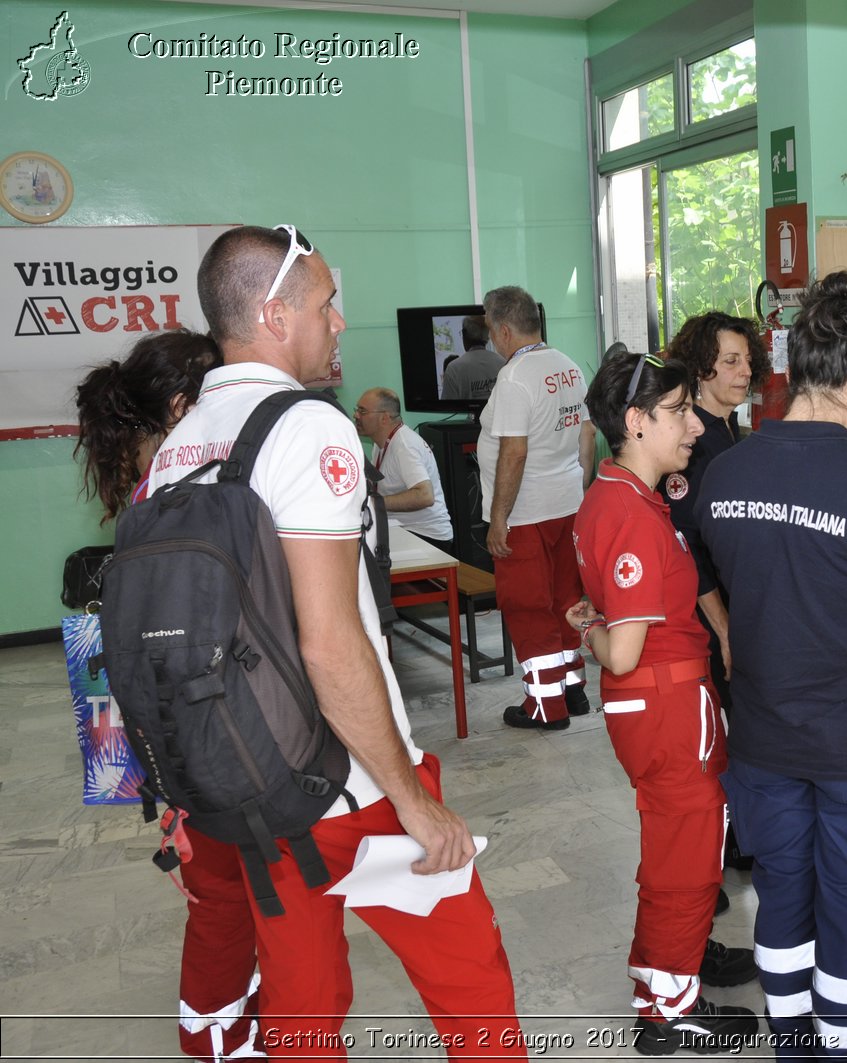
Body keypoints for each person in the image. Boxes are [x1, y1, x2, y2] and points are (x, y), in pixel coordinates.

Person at [148, 225, 524, 1060]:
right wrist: (413, 797)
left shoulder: (180, 442)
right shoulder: (307, 428)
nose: (340, 322)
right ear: (275, 315)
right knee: (475, 993)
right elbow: (329, 643)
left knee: (302, 1010)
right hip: (346, 782)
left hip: (245, 782)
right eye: (326, 304)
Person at [696, 272, 847, 1060]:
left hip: (765, 738)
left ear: (792, 376)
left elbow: (734, 578)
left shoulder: (723, 475)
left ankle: (792, 1043)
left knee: (784, 894)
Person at [75, 330, 263, 1063]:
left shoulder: (154, 488)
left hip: (171, 729)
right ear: (188, 404)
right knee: (224, 894)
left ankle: (225, 1025)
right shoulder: (193, 490)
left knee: (224, 890)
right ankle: (215, 1037)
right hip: (200, 728)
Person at [567, 350, 759, 1055]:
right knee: (689, 855)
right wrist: (591, 627)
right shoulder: (636, 516)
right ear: (636, 421)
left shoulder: (613, 495)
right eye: (678, 411)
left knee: (673, 846)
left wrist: (590, 618)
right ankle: (670, 1008)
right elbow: (619, 647)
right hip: (667, 704)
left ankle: (668, 969)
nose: (695, 426)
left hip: (653, 705)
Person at [477, 285, 597, 730]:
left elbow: (514, 452)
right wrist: (576, 488)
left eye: (491, 331)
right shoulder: (567, 366)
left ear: (504, 329)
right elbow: (586, 437)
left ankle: (546, 707)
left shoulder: (515, 377)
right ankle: (573, 689)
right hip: (567, 505)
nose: (492, 340)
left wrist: (498, 518)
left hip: (525, 515)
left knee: (529, 606)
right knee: (566, 599)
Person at [660, 312, 770, 712]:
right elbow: (688, 546)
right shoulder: (692, 445)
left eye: (747, 360)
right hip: (708, 615)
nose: (745, 372)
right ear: (701, 370)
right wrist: (723, 629)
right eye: (730, 362)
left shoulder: (727, 430)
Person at [353, 386, 454, 552]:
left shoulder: (405, 445)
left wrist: (374, 504)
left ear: (384, 418)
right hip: (405, 529)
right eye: (357, 410)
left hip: (426, 536)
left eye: (362, 411)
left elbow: (424, 496)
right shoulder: (381, 444)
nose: (356, 415)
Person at [443, 313, 501, 402]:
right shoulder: (502, 363)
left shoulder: (453, 368)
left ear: (464, 333)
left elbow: (447, 404)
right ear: (487, 336)